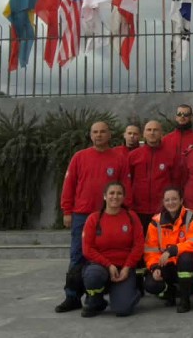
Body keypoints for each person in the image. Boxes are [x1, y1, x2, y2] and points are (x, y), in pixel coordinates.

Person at [55, 121, 132, 313]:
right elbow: (69, 185)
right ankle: (72, 296)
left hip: (108, 215)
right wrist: (67, 211)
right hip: (81, 215)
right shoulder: (79, 157)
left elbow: (125, 188)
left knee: (102, 255)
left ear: (110, 134)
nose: (99, 135)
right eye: (95, 132)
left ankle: (94, 295)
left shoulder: (119, 159)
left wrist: (125, 211)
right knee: (77, 256)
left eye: (102, 132)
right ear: (90, 135)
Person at [80, 181, 144, 318]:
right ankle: (95, 300)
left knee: (123, 310)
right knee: (93, 275)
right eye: (111, 193)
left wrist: (127, 267)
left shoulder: (131, 217)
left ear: (124, 197)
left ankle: (132, 291)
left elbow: (138, 246)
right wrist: (108, 265)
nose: (115, 196)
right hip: (101, 267)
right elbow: (87, 249)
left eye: (119, 193)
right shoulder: (94, 219)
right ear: (104, 196)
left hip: (124, 270)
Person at [143, 187, 193, 313]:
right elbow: (150, 251)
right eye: (167, 200)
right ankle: (170, 291)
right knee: (151, 285)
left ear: (181, 200)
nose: (171, 202)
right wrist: (154, 268)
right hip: (165, 264)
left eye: (174, 199)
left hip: (187, 265)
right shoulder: (155, 223)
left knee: (186, 259)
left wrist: (173, 250)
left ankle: (185, 300)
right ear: (163, 202)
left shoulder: (192, 217)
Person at [129, 120, 175, 227]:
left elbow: (176, 181)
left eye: (155, 130)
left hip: (163, 209)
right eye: (149, 130)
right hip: (138, 209)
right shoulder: (133, 156)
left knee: (162, 242)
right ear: (144, 134)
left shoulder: (171, 155)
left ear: (161, 134)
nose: (152, 133)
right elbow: (128, 181)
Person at [162, 104, 193, 183]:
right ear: (176, 117)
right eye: (179, 114)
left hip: (191, 184)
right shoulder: (166, 140)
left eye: (186, 114)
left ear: (191, 117)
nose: (182, 117)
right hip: (169, 185)